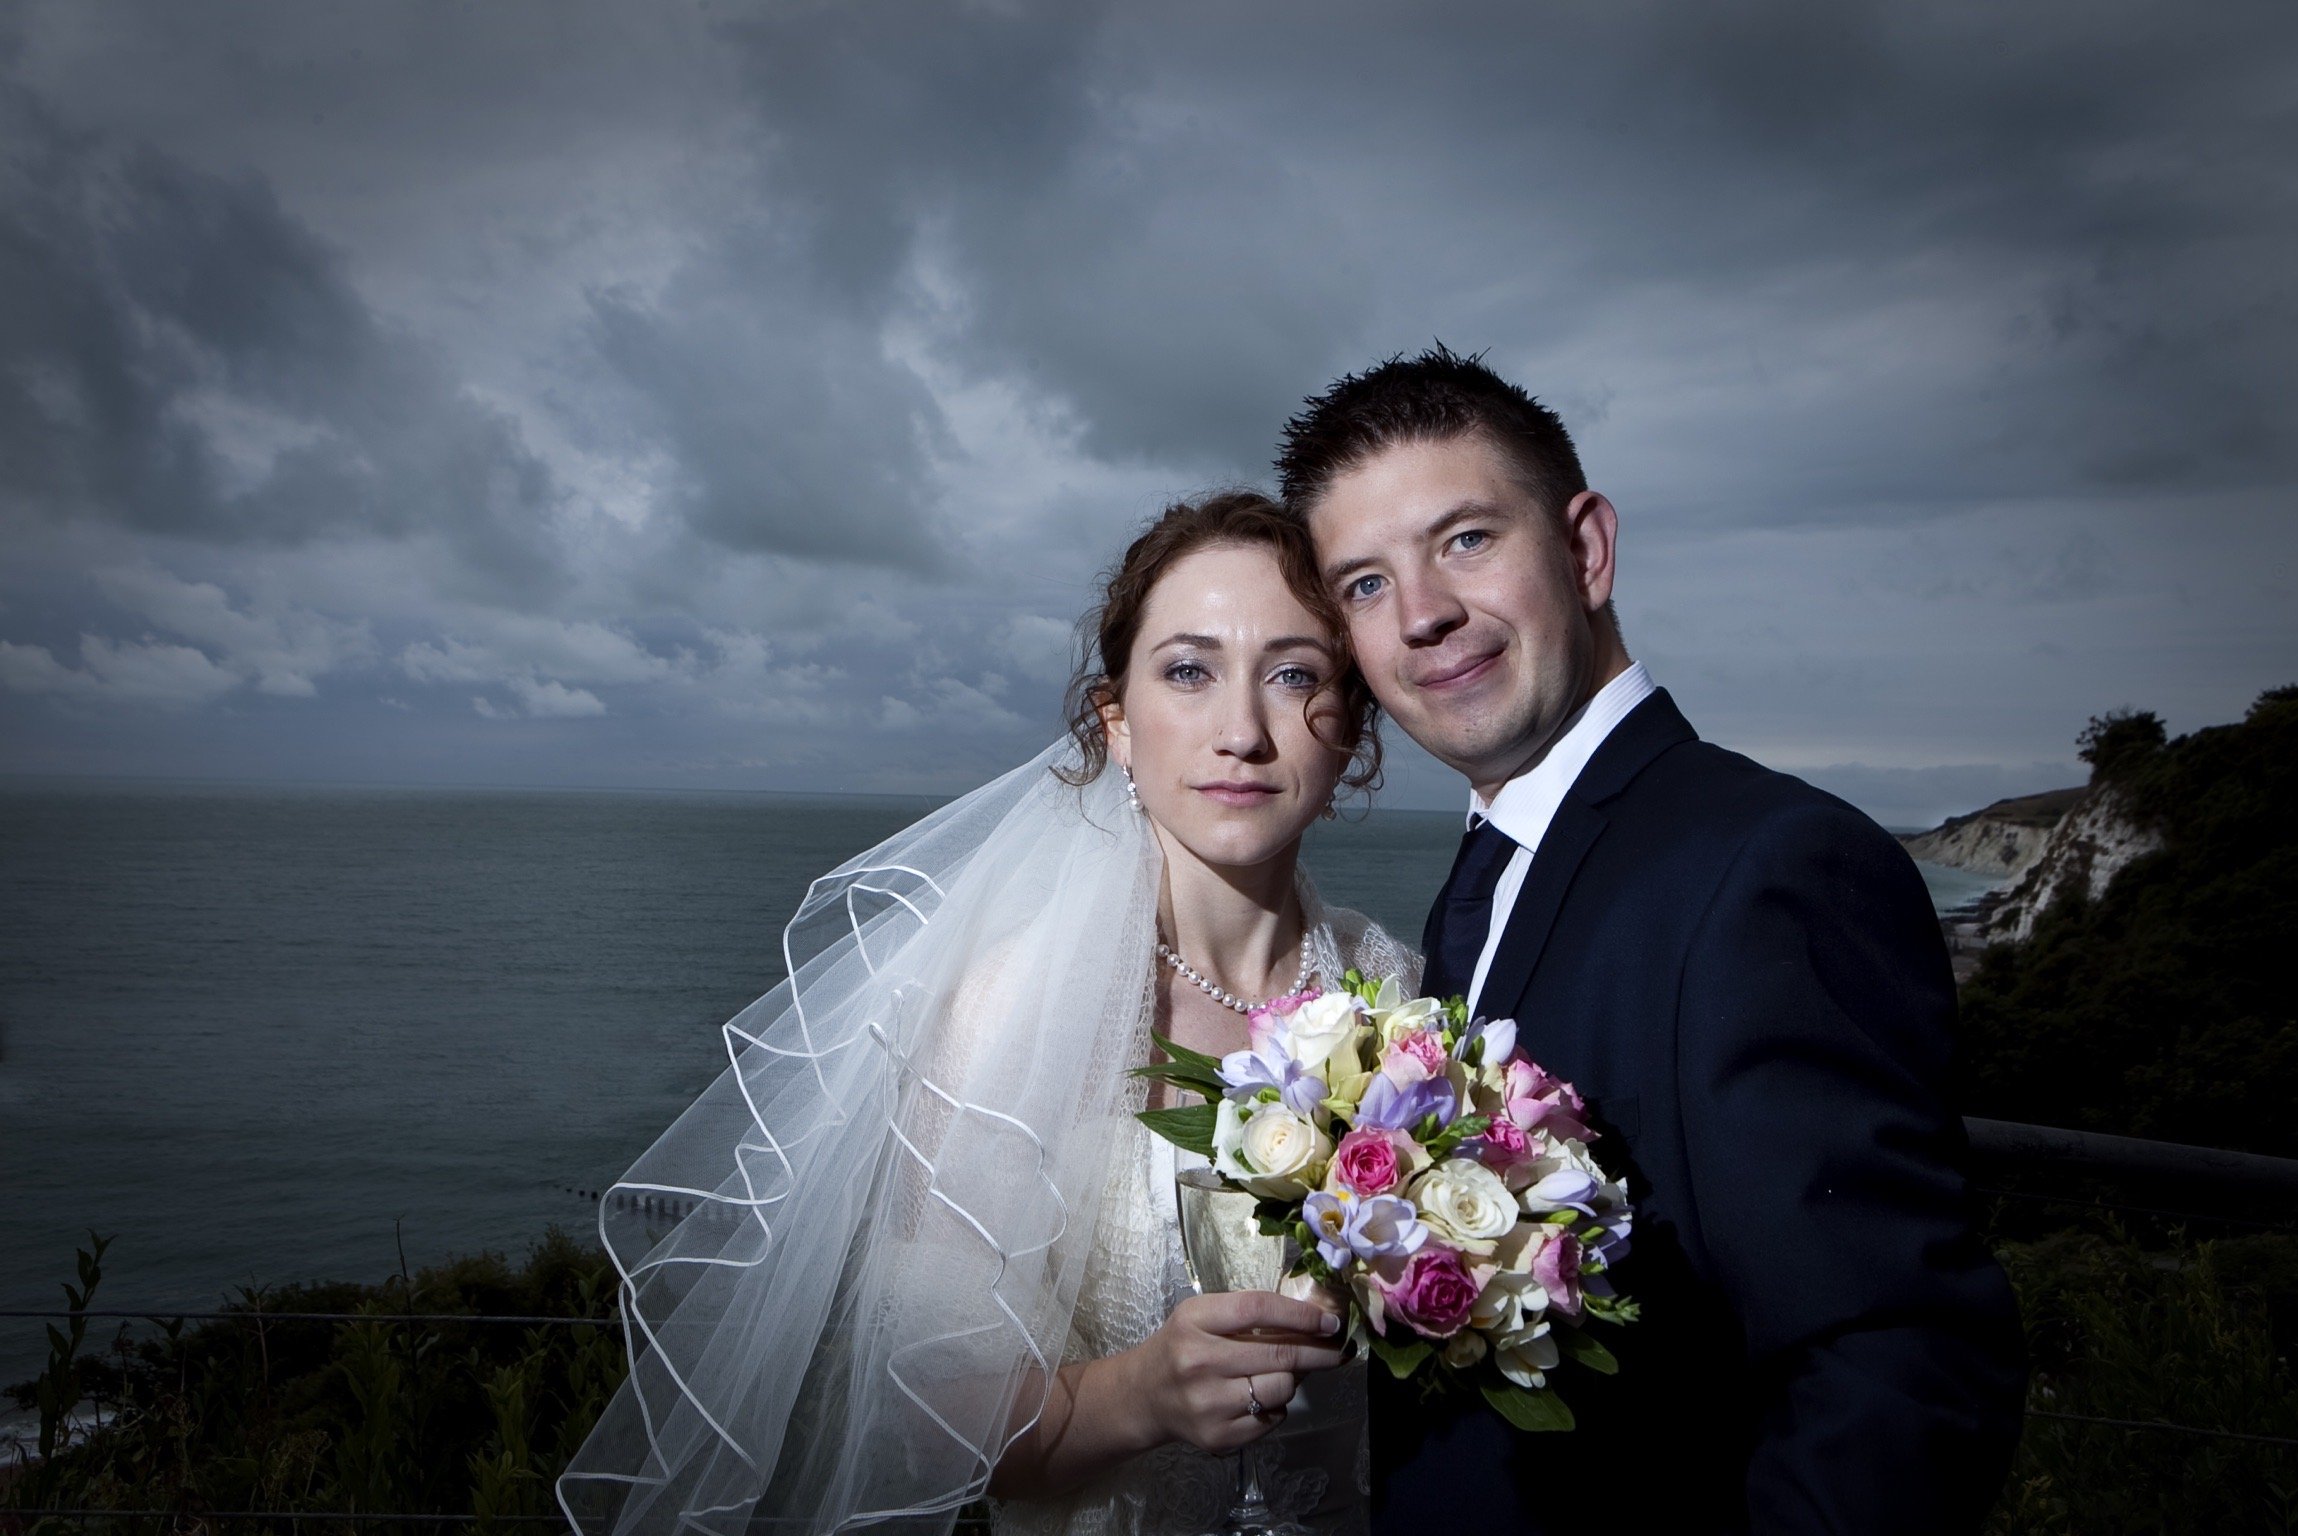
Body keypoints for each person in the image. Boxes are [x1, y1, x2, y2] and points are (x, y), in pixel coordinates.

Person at [558, 491, 1413, 1536]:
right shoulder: (1011, 1008)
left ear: (1351, 737)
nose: (1241, 729)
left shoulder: (1398, 993)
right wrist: (1137, 1394)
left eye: (1294, 676)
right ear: (1119, 725)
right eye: (1188, 670)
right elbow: (932, 1421)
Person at [1276, 347, 2027, 1533]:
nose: (1422, 614)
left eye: (1466, 539)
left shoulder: (1771, 866)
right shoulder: (1490, 873)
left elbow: (1895, 1374)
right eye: (1363, 584)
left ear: (1586, 549)